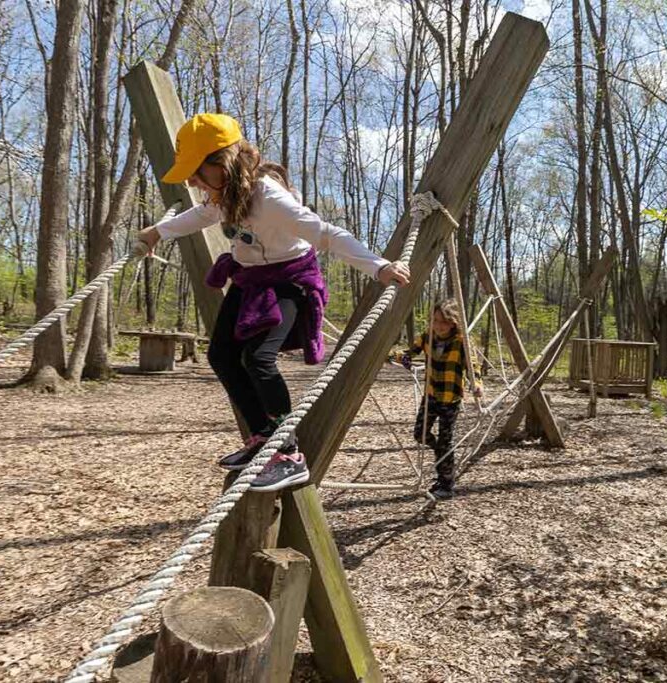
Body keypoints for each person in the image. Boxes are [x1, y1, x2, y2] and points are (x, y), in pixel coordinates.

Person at [137, 113, 410, 492]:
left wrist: (379, 266)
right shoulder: (223, 195)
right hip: (249, 278)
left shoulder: (269, 197)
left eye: (196, 172)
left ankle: (288, 454)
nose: (191, 181)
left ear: (222, 164)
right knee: (221, 355)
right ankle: (262, 438)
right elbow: (199, 216)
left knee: (258, 359)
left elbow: (326, 234)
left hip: (288, 281)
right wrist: (157, 232)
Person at [400, 299, 481, 501]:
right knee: (420, 434)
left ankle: (446, 483)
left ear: (454, 322)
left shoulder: (462, 341)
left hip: (450, 399)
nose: (438, 326)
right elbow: (410, 352)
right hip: (431, 395)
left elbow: (473, 367)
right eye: (435, 320)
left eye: (444, 322)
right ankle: (441, 455)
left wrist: (477, 384)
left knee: (446, 440)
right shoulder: (427, 336)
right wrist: (398, 356)